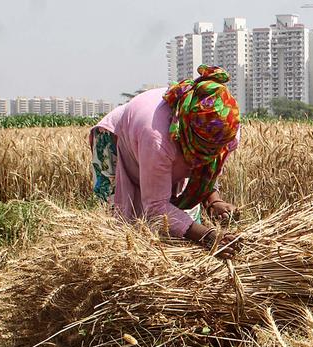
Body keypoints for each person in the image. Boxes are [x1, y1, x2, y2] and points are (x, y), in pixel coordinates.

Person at [90, 64, 240, 251]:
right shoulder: (158, 139)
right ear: (187, 133)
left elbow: (207, 168)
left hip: (163, 150)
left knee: (183, 233)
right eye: (204, 149)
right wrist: (208, 236)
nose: (209, 155)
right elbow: (156, 207)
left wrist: (213, 200)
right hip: (118, 140)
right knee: (126, 229)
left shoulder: (226, 125)